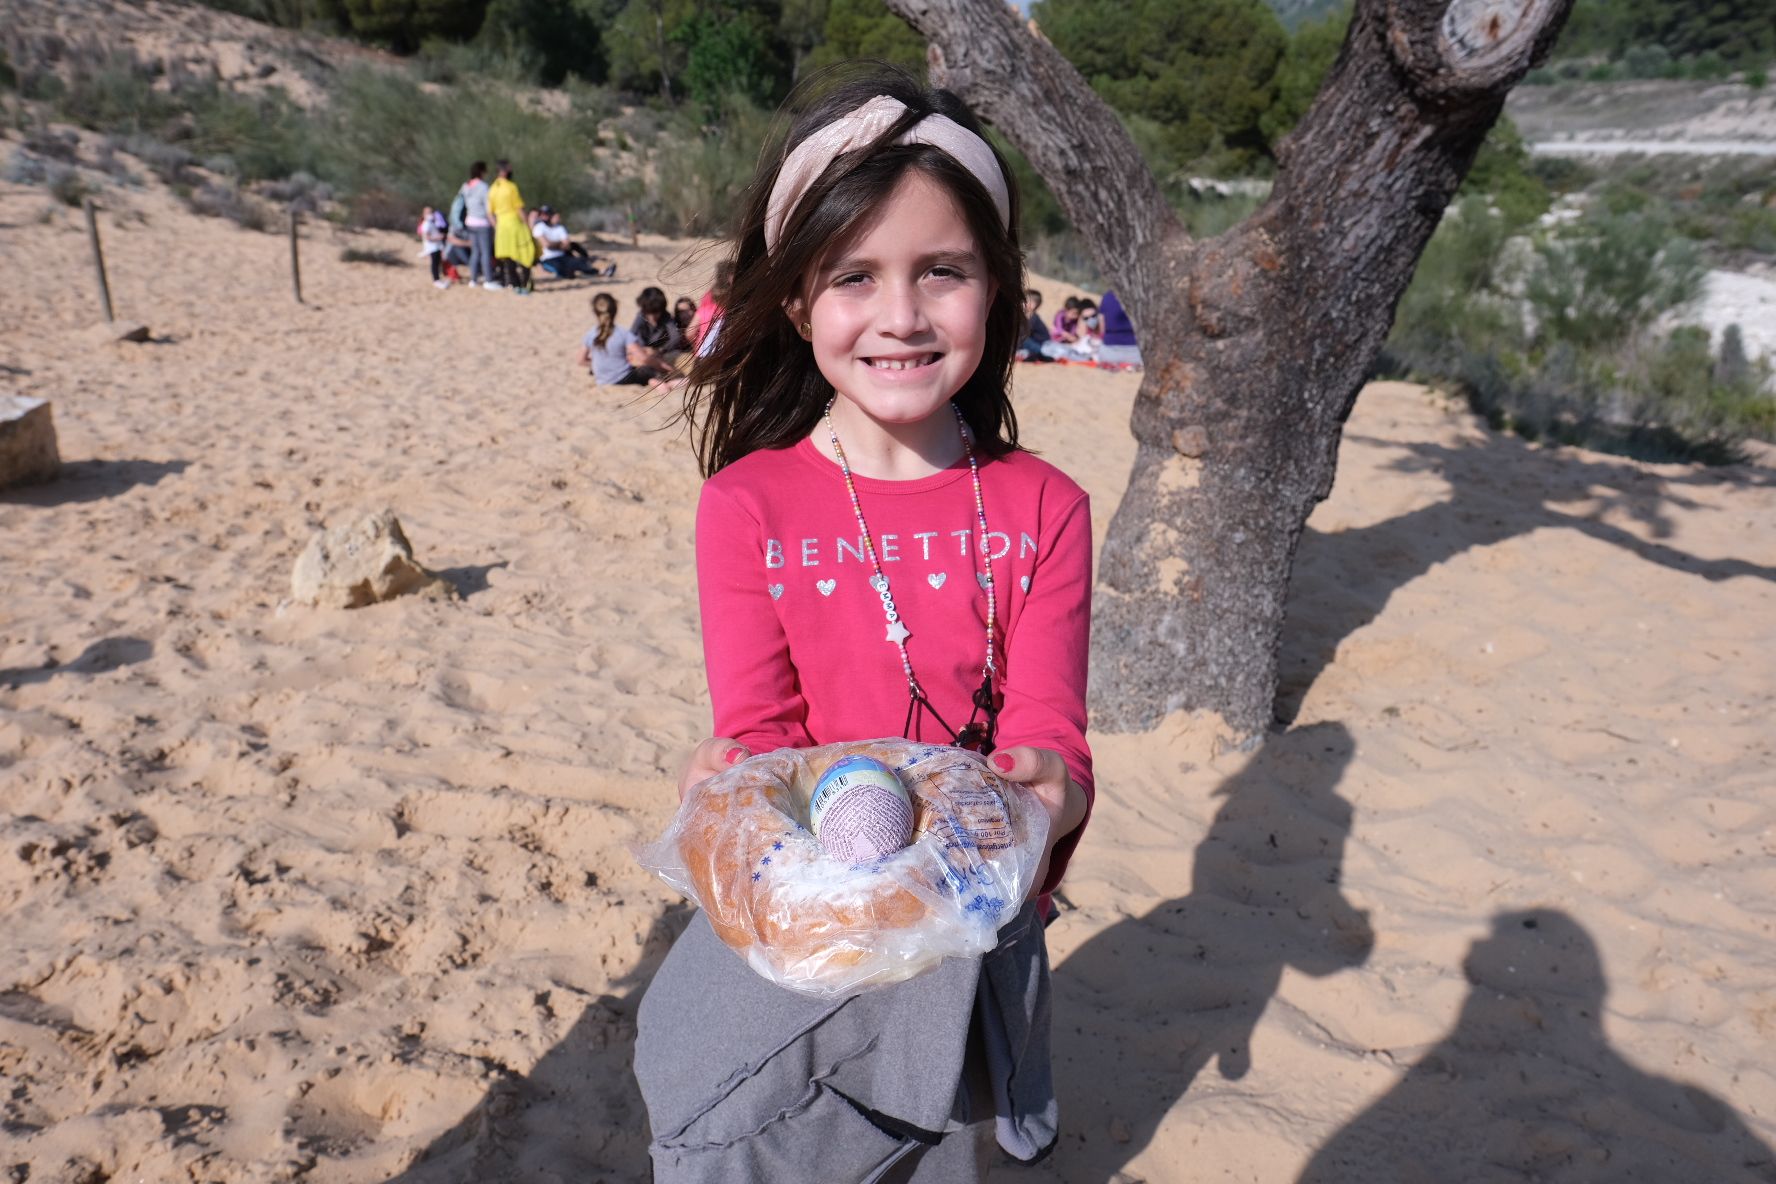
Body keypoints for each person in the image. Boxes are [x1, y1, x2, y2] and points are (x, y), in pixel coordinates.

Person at [634, 69, 1093, 1183]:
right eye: (855, 276)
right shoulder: (749, 505)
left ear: (996, 289)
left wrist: (1054, 789)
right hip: (821, 920)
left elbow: (1052, 732)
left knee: (945, 1148)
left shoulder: (1045, 507)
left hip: (973, 919)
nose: (902, 314)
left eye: (944, 271)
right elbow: (763, 730)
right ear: (797, 302)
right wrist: (730, 787)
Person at [578, 291, 668, 385]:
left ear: (595, 312)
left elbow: (581, 360)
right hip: (624, 378)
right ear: (615, 310)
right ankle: (659, 384)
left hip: (602, 380)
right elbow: (644, 358)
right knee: (646, 371)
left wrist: (600, 365)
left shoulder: (590, 334)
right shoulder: (623, 333)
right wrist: (664, 367)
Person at [487, 159, 537, 295]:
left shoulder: (492, 189)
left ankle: (515, 285)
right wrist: (527, 225)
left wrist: (497, 227)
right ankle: (526, 284)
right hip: (514, 224)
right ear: (505, 171)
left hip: (502, 227)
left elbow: (490, 213)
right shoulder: (511, 187)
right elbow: (519, 209)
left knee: (508, 258)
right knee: (525, 254)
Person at [459, 161, 495, 289]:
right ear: (482, 171)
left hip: (470, 222)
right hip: (482, 223)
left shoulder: (465, 186)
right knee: (485, 252)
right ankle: (488, 280)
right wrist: (494, 223)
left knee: (475, 252)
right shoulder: (483, 187)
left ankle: (473, 280)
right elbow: (488, 207)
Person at [631, 286, 687, 367]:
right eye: (649, 313)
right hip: (643, 351)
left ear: (662, 309)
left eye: (656, 313)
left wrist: (661, 350)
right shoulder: (641, 315)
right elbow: (631, 335)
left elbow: (675, 337)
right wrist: (640, 350)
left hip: (661, 352)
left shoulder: (666, 317)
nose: (652, 317)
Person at [1096, 289, 1142, 368]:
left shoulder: (1107, 297)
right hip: (1135, 352)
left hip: (1109, 353)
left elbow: (1102, 326)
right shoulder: (1138, 297)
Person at [416, 206, 449, 289]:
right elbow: (427, 237)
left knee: (437, 263)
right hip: (432, 247)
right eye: (428, 213)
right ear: (424, 214)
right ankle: (436, 280)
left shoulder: (432, 222)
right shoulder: (426, 224)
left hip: (437, 246)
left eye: (431, 212)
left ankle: (438, 279)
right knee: (434, 264)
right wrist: (438, 237)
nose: (430, 214)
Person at [1016, 287, 1051, 361]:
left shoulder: (1033, 318)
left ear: (1032, 305)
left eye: (1024, 301)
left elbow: (1023, 335)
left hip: (1041, 345)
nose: (1021, 302)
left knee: (1024, 340)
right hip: (1033, 343)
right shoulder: (1025, 315)